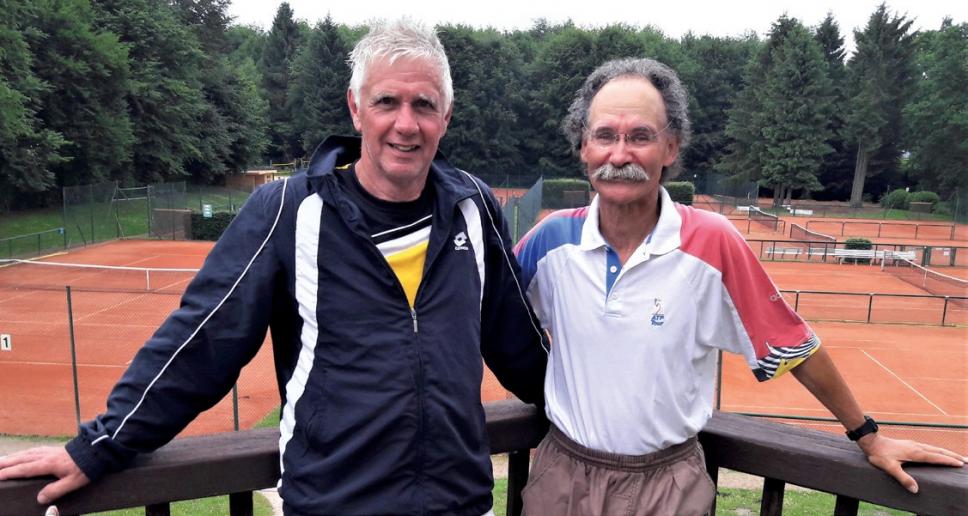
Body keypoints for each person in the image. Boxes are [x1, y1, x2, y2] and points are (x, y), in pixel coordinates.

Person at [0, 18, 547, 516]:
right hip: (330, 507)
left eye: (424, 105)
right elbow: (201, 343)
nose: (406, 124)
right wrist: (100, 445)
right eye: (387, 102)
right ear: (356, 108)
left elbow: (519, 343)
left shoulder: (472, 207)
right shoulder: (288, 209)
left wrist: (599, 418)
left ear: (445, 117)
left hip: (459, 506)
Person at [513, 57, 965, 516]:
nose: (620, 154)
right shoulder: (549, 240)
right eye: (605, 135)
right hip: (563, 476)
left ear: (671, 147)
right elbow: (478, 316)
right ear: (584, 147)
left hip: (667, 486)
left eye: (641, 137)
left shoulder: (713, 240)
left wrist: (868, 435)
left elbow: (794, 347)